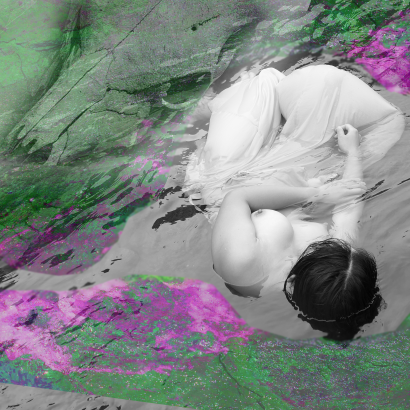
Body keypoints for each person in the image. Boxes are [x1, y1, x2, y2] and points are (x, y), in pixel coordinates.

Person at [184, 64, 405, 340]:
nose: (346, 246)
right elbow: (349, 203)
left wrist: (315, 196)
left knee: (261, 86)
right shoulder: (341, 265)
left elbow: (237, 198)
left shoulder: (244, 269)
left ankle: (207, 116)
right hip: (298, 176)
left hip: (230, 176)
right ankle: (271, 117)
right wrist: (352, 152)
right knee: (331, 87)